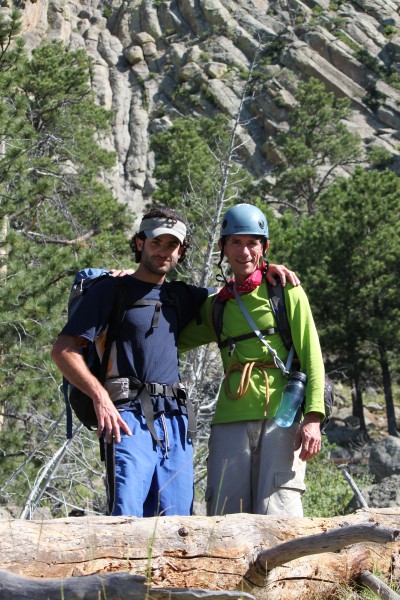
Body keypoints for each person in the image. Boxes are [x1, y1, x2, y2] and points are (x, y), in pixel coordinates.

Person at [51, 206, 298, 518]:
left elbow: (238, 290)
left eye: (172, 245)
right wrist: (100, 397)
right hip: (126, 417)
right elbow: (63, 350)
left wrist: (266, 267)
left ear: (181, 250)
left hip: (176, 423)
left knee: (179, 521)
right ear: (139, 243)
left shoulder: (183, 296)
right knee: (127, 519)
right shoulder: (110, 291)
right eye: (156, 242)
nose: (163, 251)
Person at [178, 203, 325, 517]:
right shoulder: (217, 305)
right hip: (229, 418)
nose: (244, 251)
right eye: (236, 242)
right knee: (225, 515)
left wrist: (313, 417)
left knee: (279, 513)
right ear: (223, 247)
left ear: (264, 247)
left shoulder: (286, 293)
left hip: (281, 418)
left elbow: (312, 356)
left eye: (252, 242)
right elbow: (170, 342)